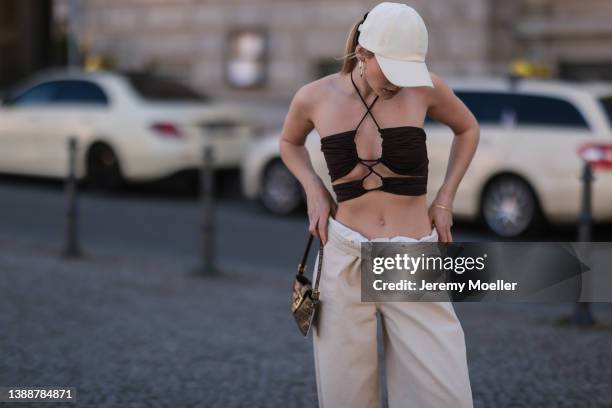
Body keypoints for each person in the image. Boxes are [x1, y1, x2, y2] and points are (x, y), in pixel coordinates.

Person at [279, 2, 480, 407]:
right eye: (391, 69)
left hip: (410, 255)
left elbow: (468, 128)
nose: (398, 82)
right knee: (345, 397)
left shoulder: (426, 88)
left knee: (444, 395)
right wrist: (314, 188)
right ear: (363, 54)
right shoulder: (314, 97)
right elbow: (289, 143)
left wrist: (444, 199)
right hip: (343, 255)